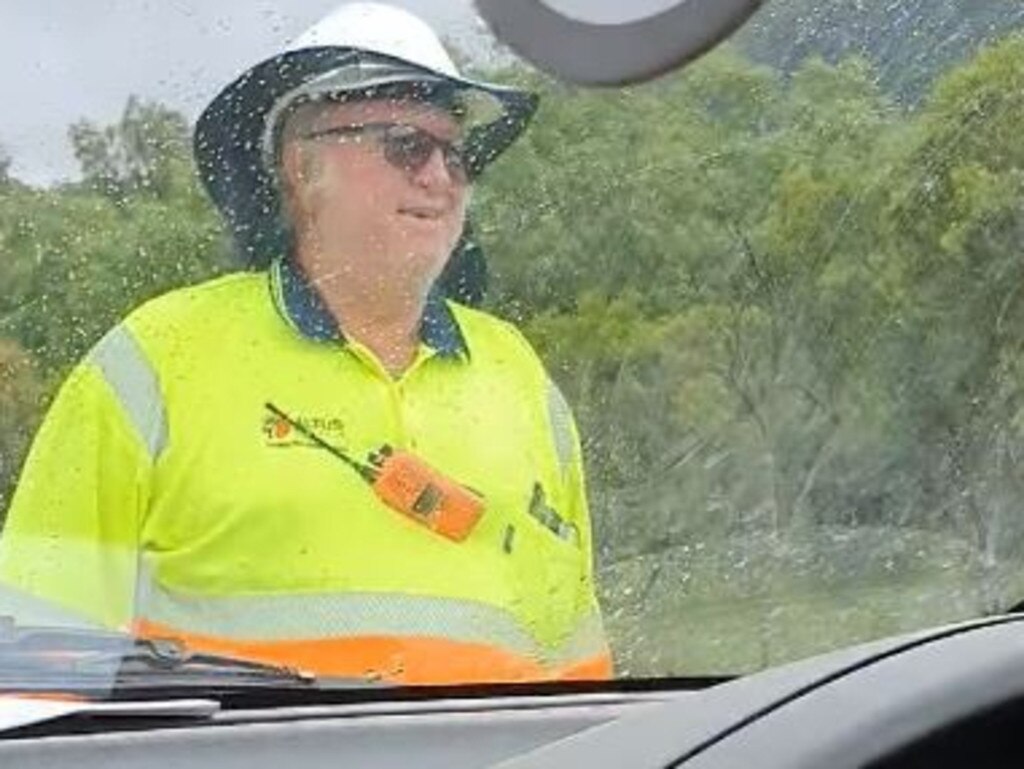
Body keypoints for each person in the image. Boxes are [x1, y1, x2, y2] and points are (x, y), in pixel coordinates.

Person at [0, 2, 612, 685]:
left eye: (457, 154)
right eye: (408, 145)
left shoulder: (518, 372)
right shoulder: (154, 358)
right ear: (302, 166)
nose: (440, 177)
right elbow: (34, 664)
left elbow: (578, 664)